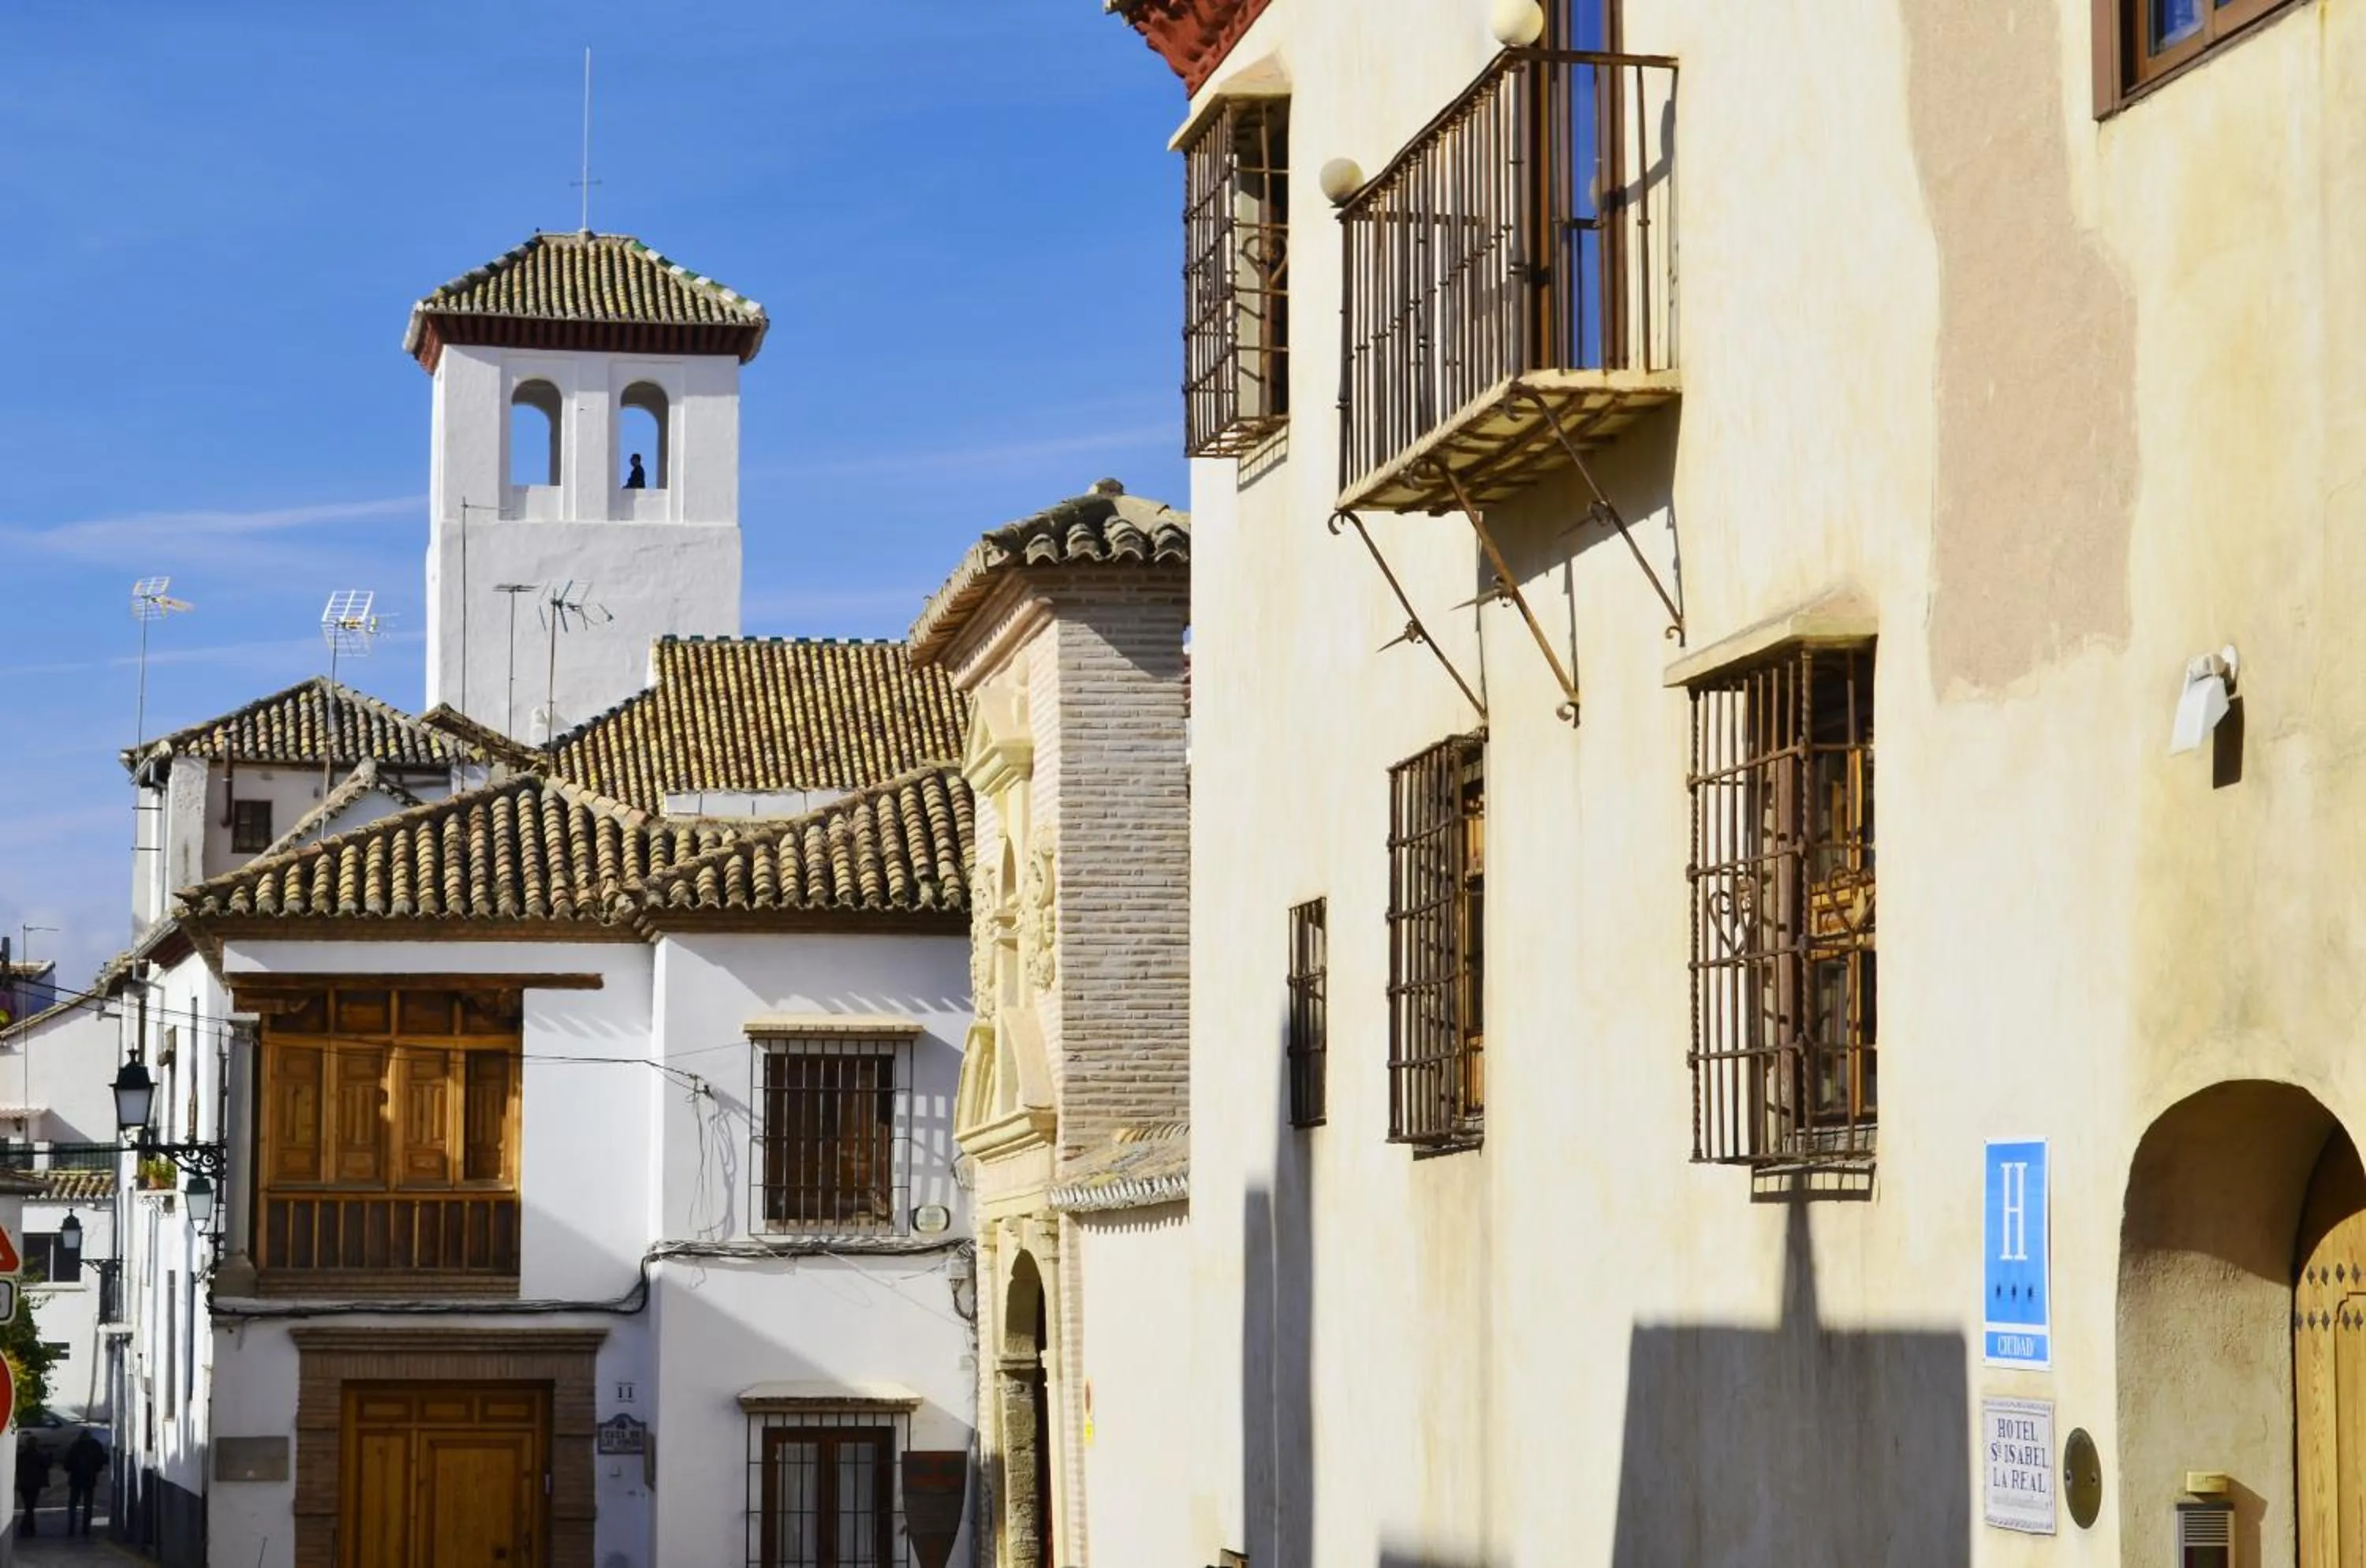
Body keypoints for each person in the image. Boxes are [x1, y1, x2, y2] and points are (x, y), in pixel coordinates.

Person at [62, 1429, 106, 1536]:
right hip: (89, 1479)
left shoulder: (75, 1446)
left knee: (73, 1503)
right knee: (88, 1504)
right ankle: (85, 1528)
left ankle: (71, 1527)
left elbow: (67, 1464)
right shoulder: (95, 1446)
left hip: (76, 1478)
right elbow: (101, 1462)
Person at [15, 1437, 49, 1536]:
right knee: (30, 1506)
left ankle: (28, 1526)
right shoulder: (39, 1455)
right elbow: (46, 1465)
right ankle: (27, 1526)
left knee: (28, 1505)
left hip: (24, 1484)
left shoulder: (21, 1456)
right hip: (34, 1484)